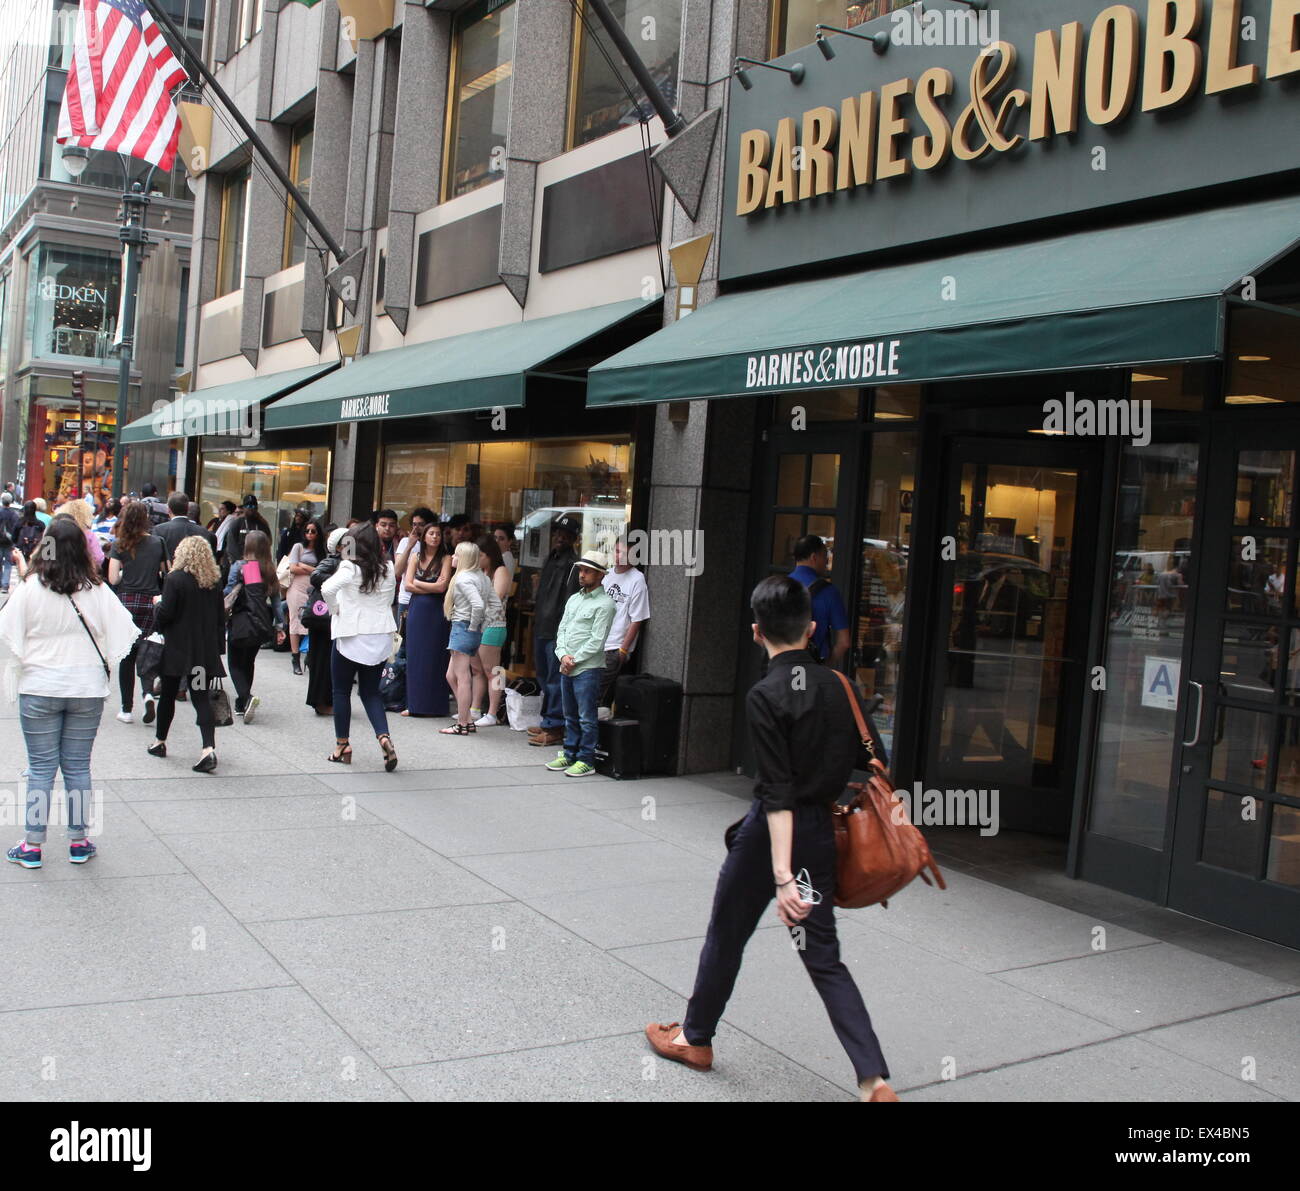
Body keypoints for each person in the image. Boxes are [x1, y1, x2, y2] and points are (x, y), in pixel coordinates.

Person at [645, 575, 897, 1102]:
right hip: (821, 831)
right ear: (811, 627)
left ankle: (695, 1039)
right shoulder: (839, 686)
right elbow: (869, 760)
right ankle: (874, 1080)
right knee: (823, 955)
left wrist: (783, 877)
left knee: (728, 932)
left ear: (757, 632)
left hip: (771, 835)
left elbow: (778, 791)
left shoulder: (766, 694)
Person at [0, 517, 139, 869]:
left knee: (40, 768)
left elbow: (9, 630)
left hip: (40, 685)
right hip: (86, 688)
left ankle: (32, 846)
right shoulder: (96, 588)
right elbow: (123, 631)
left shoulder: (31, 587)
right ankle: (78, 840)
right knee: (78, 766)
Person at [321, 523, 398, 770]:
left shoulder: (349, 566)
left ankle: (342, 745)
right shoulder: (388, 567)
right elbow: (389, 600)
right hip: (379, 635)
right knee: (370, 692)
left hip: (350, 634)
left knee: (341, 692)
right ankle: (383, 736)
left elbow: (326, 588)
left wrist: (335, 609)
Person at [148, 536, 227, 772]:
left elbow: (166, 614)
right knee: (201, 697)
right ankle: (208, 748)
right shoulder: (213, 582)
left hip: (176, 652)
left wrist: (157, 605)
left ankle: (160, 741)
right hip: (201, 654)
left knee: (168, 696)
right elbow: (219, 619)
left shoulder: (175, 579)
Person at [542, 549, 615, 777]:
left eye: (588, 571)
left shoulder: (606, 604)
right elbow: (562, 629)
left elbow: (597, 640)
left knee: (586, 717)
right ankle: (569, 753)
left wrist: (573, 659)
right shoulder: (574, 598)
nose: (582, 575)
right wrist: (563, 655)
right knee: (570, 715)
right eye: (581, 570)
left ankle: (586, 759)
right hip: (568, 664)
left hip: (587, 668)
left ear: (601, 575)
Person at [106, 501, 168, 724]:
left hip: (126, 602)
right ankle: (148, 694)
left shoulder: (120, 543)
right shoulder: (157, 542)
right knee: (147, 652)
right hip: (150, 601)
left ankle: (126, 709)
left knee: (128, 657)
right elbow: (166, 572)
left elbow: (113, 578)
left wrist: (127, 575)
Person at [527, 515, 580, 748]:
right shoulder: (552, 558)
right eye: (558, 533)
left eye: (566, 534)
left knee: (554, 679)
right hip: (543, 624)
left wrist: (564, 632)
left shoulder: (572, 564)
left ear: (574, 539)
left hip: (557, 629)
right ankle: (548, 719)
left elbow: (569, 599)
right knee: (543, 676)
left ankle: (554, 726)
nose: (560, 537)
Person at [439, 541, 500, 736]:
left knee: (462, 677)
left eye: (456, 555)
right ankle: (466, 718)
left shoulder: (463, 578)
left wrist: (475, 625)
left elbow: (479, 605)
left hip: (463, 627)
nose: (453, 558)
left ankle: (463, 723)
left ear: (464, 558)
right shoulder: (482, 577)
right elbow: (496, 605)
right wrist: (481, 625)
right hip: (469, 629)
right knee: (453, 675)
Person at [224, 530, 285, 723]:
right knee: (248, 662)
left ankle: (246, 698)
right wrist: (280, 626)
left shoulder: (244, 567)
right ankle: (242, 704)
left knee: (234, 663)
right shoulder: (269, 569)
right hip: (262, 623)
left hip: (242, 620)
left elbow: (230, 592)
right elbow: (276, 602)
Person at [402, 520, 453, 718]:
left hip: (436, 611)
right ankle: (413, 704)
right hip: (417, 611)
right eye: (431, 533)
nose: (435, 537)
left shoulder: (446, 558)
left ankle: (435, 705)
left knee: (435, 656)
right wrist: (428, 584)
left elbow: (442, 587)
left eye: (438, 534)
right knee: (415, 656)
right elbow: (407, 585)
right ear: (424, 537)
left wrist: (418, 583)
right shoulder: (415, 556)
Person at [599, 537, 651, 708]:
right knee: (589, 692)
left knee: (598, 695)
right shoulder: (607, 574)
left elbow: (637, 619)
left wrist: (623, 650)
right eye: (616, 551)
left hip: (614, 646)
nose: (618, 556)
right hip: (596, 643)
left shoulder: (637, 579)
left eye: (623, 552)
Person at [468, 533, 511, 726]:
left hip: (494, 625)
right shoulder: (482, 572)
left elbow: (497, 596)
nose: (477, 560)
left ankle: (493, 712)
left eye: (481, 555)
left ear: (489, 554)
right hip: (478, 625)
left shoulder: (500, 571)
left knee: (494, 670)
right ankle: (475, 709)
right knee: (477, 669)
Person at [790, 534, 850, 667]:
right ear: (814, 557)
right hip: (812, 667)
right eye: (825, 557)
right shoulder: (829, 592)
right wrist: (827, 666)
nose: (827, 563)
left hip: (780, 667)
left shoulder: (777, 586)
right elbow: (844, 642)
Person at [304, 526, 344, 716]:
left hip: (333, 618)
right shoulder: (333, 561)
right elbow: (315, 576)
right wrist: (339, 579)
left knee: (330, 661)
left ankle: (327, 699)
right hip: (323, 619)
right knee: (321, 660)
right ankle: (320, 701)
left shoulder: (348, 563)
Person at [284, 518, 323, 675]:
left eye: (313, 531)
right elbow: (293, 568)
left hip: (314, 590)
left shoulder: (321, 550)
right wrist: (313, 569)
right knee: (295, 621)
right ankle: (295, 658)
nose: (309, 534)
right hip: (297, 588)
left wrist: (305, 566)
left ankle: (310, 657)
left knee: (313, 622)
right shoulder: (298, 547)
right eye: (307, 531)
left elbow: (322, 570)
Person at [394, 507, 434, 633]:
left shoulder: (434, 544)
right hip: (406, 599)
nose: (416, 528)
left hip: (428, 598)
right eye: (414, 525)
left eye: (421, 525)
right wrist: (410, 545)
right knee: (402, 641)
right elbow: (397, 571)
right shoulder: (405, 541)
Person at [154, 491, 218, 560]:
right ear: (187, 509)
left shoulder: (159, 530)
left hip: (169, 570)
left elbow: (155, 558)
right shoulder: (204, 532)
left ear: (169, 510)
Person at [56, 499, 104, 569]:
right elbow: (98, 558)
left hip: (57, 572)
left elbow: (46, 556)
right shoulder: (89, 535)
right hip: (83, 573)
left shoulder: (55, 531)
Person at [0, 493, 19, 593]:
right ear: (11, 502)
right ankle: (5, 585)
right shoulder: (14, 515)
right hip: (9, 542)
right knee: (8, 564)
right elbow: (16, 530)